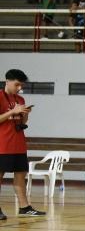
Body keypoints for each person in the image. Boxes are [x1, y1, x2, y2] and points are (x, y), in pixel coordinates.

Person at [0, 69, 44, 219]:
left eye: (21, 86)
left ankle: (24, 207)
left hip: (18, 143)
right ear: (7, 81)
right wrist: (12, 112)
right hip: (3, 144)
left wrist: (24, 115)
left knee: (20, 175)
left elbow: (22, 123)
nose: (19, 88)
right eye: (17, 85)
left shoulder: (20, 99)